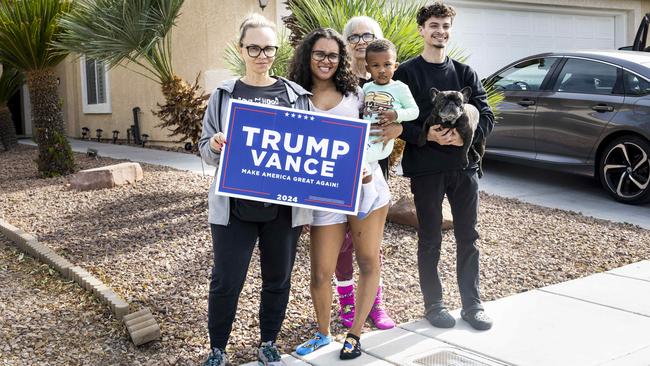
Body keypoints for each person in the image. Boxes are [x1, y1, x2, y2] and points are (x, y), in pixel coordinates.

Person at [198, 14, 313, 366]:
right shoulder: (224, 95)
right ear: (241, 49)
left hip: (282, 209)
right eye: (254, 48)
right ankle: (218, 347)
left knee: (277, 278)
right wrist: (215, 146)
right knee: (226, 280)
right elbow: (204, 146)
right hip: (234, 207)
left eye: (269, 48)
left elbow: (311, 149)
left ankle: (268, 342)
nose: (262, 55)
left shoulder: (296, 97)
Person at [391, 2, 495, 330]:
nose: (441, 31)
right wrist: (427, 134)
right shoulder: (406, 73)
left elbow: (488, 117)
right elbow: (393, 121)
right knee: (430, 238)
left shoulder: (465, 74)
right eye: (434, 25)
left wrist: (466, 134)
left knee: (469, 236)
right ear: (422, 29)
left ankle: (472, 304)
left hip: (464, 169)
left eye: (446, 26)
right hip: (426, 168)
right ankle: (434, 304)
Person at [288, 28, 390, 360]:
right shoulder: (295, 98)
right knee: (320, 271)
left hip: (365, 187)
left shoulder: (357, 96)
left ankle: (355, 334)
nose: (326, 61)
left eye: (333, 55)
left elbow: (382, 133)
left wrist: (396, 127)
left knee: (367, 259)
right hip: (324, 195)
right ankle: (322, 333)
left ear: (341, 59)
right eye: (319, 54)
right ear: (307, 56)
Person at [333, 16, 396, 332]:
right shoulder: (337, 81)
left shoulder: (385, 81)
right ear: (346, 43)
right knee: (343, 241)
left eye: (367, 35)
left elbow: (403, 117)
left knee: (371, 244)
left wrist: (399, 127)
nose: (360, 40)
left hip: (375, 173)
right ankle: (346, 298)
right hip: (341, 174)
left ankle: (374, 302)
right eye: (353, 36)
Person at [359, 38, 419, 218]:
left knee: (357, 157)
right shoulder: (367, 87)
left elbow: (414, 111)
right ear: (368, 69)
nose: (382, 70)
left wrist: (396, 115)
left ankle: (370, 194)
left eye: (387, 64)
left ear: (396, 66)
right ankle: (374, 192)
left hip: (382, 139)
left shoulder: (400, 88)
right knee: (358, 159)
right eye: (376, 66)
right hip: (367, 135)